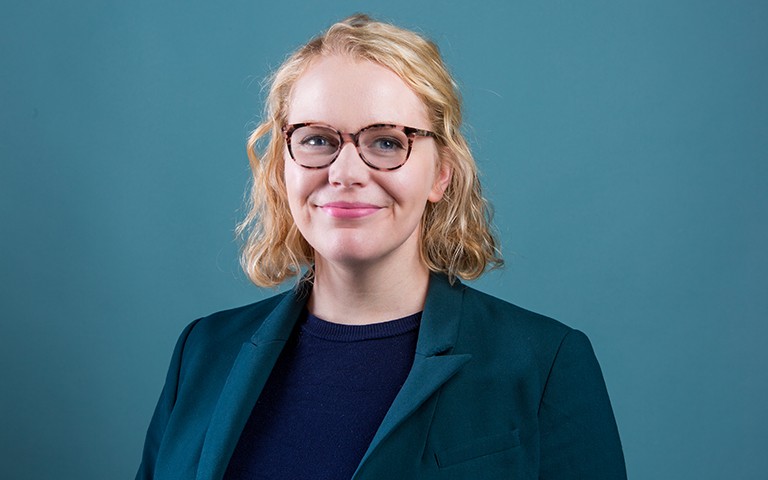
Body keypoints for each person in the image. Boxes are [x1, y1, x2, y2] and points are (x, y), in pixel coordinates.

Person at [136, 14, 626, 480]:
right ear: (280, 167)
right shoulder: (202, 352)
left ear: (440, 173)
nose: (345, 173)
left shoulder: (544, 363)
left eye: (387, 142)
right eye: (316, 140)